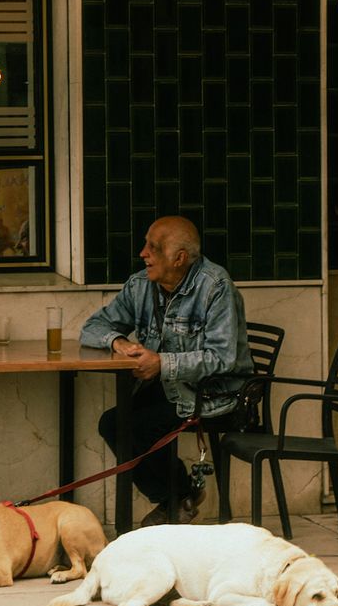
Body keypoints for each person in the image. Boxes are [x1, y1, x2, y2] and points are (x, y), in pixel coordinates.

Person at [80, 216, 253, 526]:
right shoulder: (140, 285)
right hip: (170, 388)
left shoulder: (215, 287)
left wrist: (161, 363)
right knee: (113, 423)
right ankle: (178, 497)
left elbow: (222, 358)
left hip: (213, 393)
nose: (143, 253)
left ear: (179, 258)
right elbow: (92, 327)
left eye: (153, 247)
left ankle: (175, 501)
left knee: (140, 426)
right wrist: (118, 341)